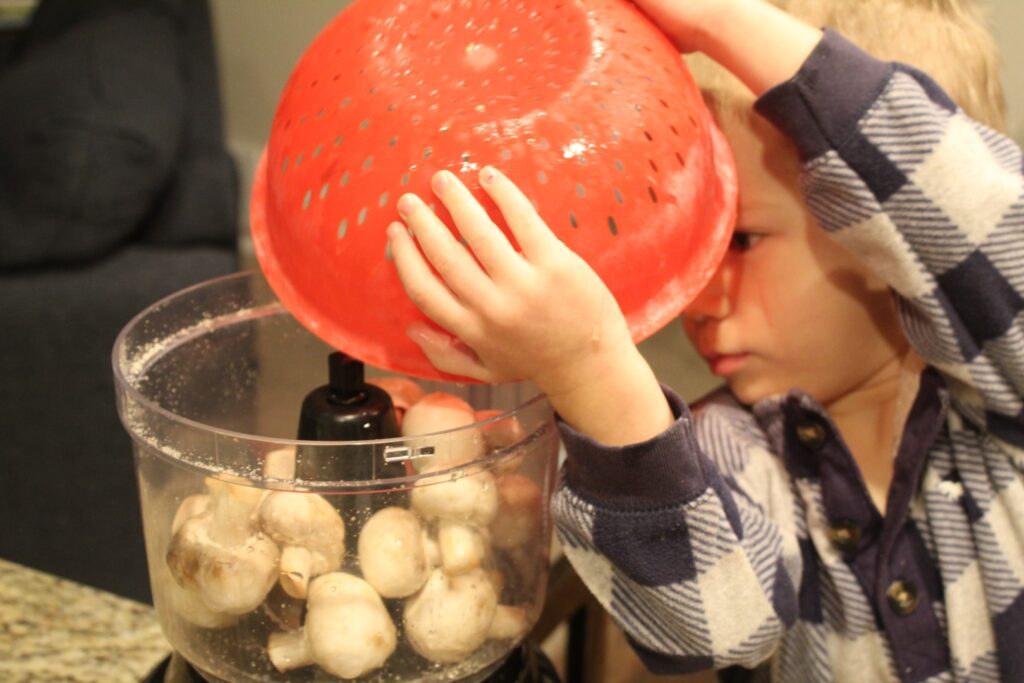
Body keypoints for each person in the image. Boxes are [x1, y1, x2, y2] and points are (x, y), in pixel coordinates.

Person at [386, 0, 1024, 679]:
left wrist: (727, 22)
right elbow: (711, 626)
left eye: (741, 239)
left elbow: (979, 214)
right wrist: (587, 370)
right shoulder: (727, 446)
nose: (698, 294)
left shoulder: (996, 398)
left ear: (875, 228)